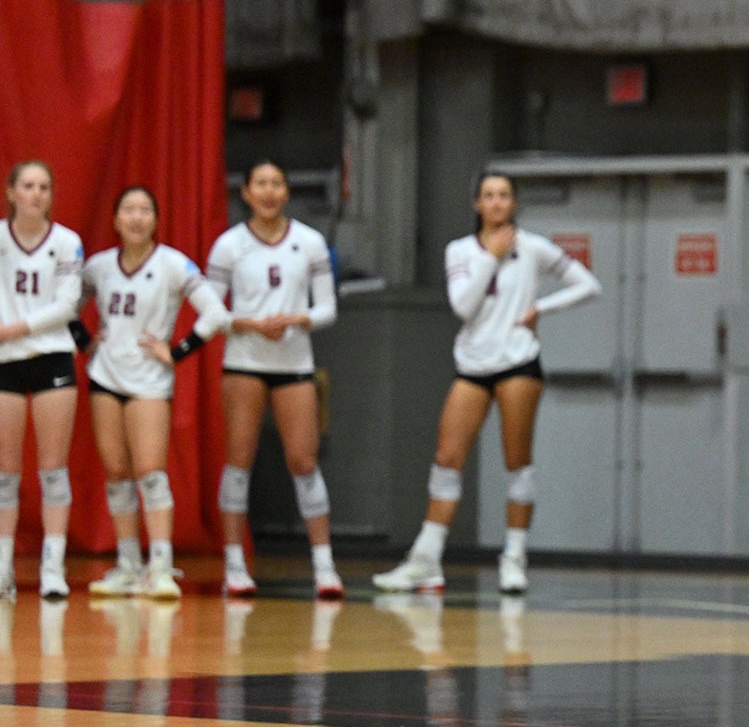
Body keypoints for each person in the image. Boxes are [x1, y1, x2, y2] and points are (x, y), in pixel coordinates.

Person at [374, 172, 600, 596]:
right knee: (447, 456)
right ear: (476, 203)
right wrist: (490, 258)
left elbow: (589, 285)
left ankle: (514, 558)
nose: (496, 203)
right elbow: (463, 305)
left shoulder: (533, 247)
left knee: (517, 460)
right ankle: (426, 559)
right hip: (473, 366)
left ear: (514, 204)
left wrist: (540, 308)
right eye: (489, 196)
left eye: (504, 196)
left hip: (518, 363)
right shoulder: (460, 251)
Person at [81, 186, 231, 600]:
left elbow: (217, 313)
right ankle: (129, 565)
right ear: (115, 220)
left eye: (145, 210)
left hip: (149, 381)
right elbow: (66, 303)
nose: (136, 217)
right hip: (105, 377)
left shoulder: (172, 265)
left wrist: (178, 350)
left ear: (156, 220)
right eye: (128, 209)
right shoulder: (98, 267)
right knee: (115, 472)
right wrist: (84, 339)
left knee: (150, 470)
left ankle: (161, 567)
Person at [206, 161, 342, 598]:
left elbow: (328, 310)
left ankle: (324, 566)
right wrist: (247, 324)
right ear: (245, 192)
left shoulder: (309, 242)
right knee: (239, 461)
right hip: (244, 363)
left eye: (277, 184)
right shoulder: (229, 246)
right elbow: (211, 312)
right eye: (260, 183)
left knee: (304, 461)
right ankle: (234, 564)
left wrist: (297, 318)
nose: (269, 192)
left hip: (294, 364)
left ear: (286, 191)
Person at [0, 160, 84, 600]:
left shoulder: (67, 242)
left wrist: (18, 327)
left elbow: (69, 303)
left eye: (44, 187)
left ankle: (53, 565)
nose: (36, 194)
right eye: (28, 186)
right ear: (11, 192)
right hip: (4, 362)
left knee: (53, 468)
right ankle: (2, 566)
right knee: (4, 473)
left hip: (51, 355)